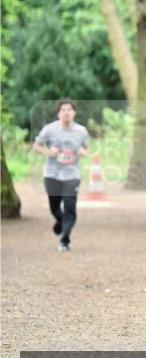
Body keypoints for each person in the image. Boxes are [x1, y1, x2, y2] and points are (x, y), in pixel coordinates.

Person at [32, 99, 90, 252]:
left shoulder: (81, 131)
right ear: (58, 113)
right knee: (54, 207)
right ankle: (60, 220)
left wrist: (81, 152)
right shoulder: (49, 129)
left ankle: (64, 240)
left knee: (70, 208)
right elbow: (36, 145)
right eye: (63, 110)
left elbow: (86, 150)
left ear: (74, 113)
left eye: (69, 110)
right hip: (52, 174)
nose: (66, 113)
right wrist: (49, 152)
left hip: (72, 175)